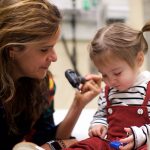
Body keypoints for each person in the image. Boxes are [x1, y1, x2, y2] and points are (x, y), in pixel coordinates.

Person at [0, 0, 101, 149]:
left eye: (53, 47)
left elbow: (43, 139)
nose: (54, 57)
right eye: (44, 49)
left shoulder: (44, 84)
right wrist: (54, 146)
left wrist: (78, 104)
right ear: (12, 49)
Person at [88, 22, 150, 150]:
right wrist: (98, 126)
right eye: (104, 75)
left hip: (141, 145)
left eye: (117, 73)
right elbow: (101, 115)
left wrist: (141, 135)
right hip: (112, 144)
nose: (110, 81)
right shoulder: (108, 91)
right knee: (87, 144)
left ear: (139, 60)